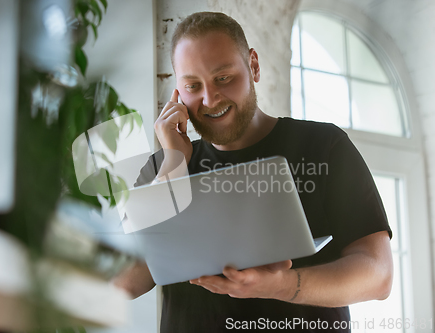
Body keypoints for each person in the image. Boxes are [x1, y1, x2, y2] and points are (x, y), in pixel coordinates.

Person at [114, 11, 393, 332]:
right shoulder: (162, 167)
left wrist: (284, 285)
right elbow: (126, 281)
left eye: (223, 78)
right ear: (177, 91)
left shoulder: (324, 146)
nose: (209, 98)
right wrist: (174, 164)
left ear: (254, 66)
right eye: (192, 85)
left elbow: (378, 274)